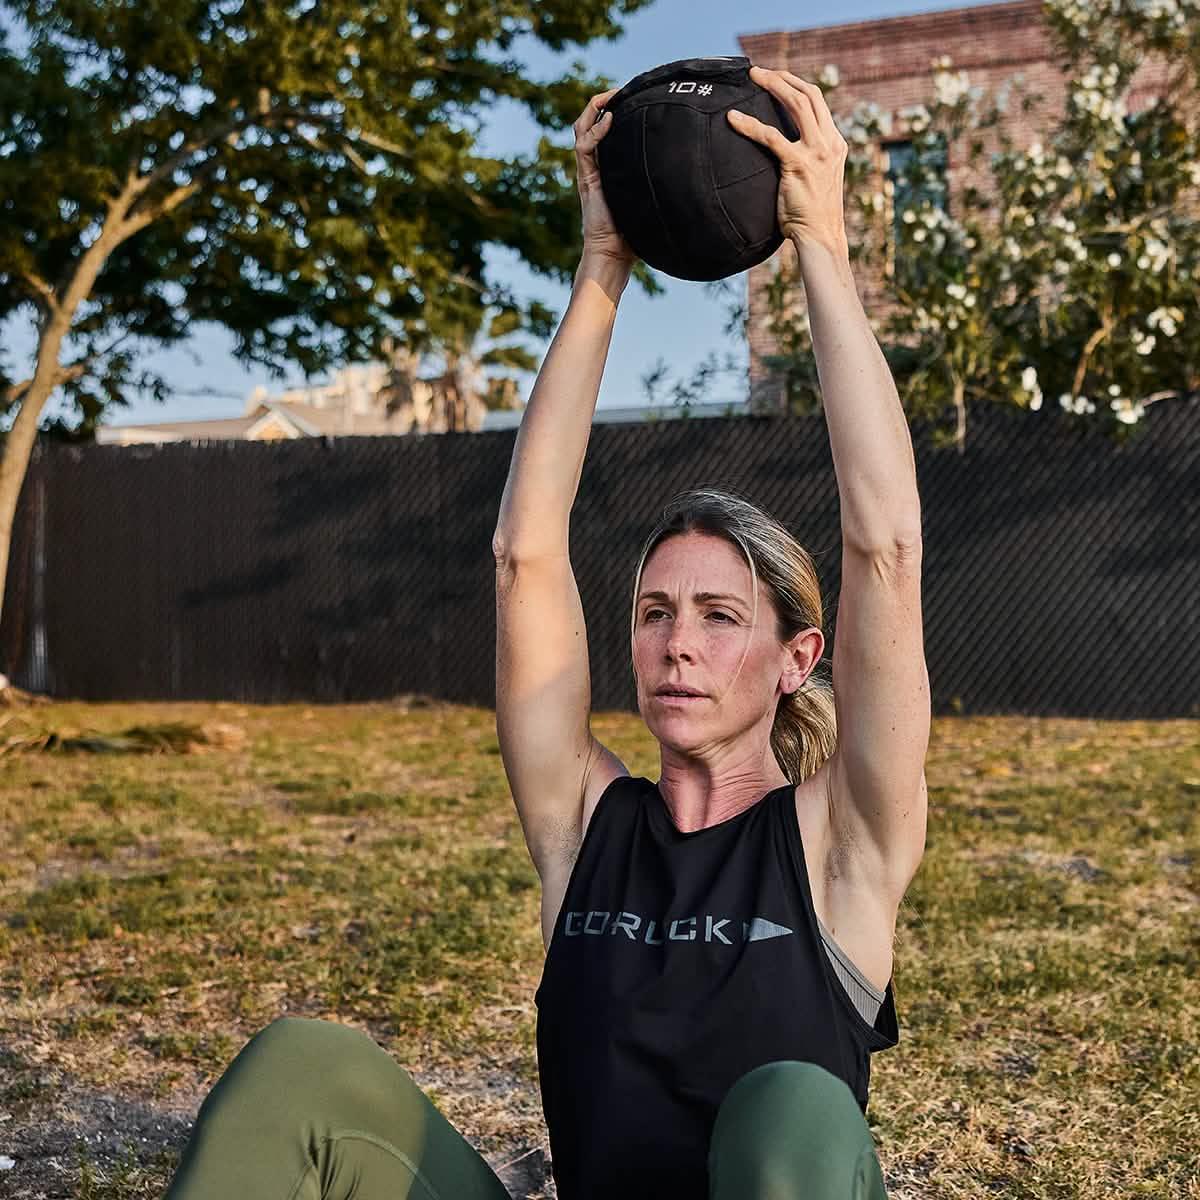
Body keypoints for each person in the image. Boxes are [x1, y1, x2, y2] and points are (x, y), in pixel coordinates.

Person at [162, 66, 929, 1200]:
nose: (677, 643)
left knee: (794, 1108)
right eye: (654, 611)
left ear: (795, 660)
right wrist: (601, 266)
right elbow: (525, 550)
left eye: (721, 619)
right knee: (302, 1070)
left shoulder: (841, 849)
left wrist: (819, 243)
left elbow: (886, 551)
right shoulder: (583, 828)